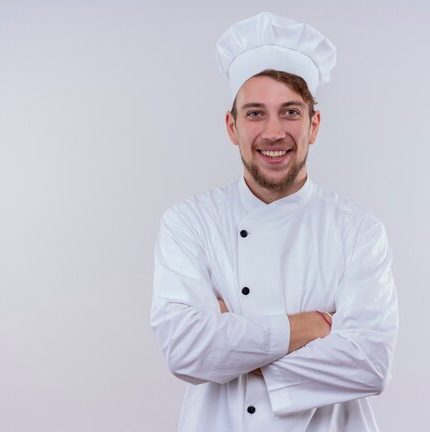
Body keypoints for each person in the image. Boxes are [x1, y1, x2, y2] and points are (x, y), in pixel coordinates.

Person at [151, 12, 399, 431]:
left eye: (289, 112)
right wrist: (311, 328)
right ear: (232, 127)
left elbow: (370, 364)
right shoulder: (189, 222)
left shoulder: (358, 230)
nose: (273, 132)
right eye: (254, 114)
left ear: (313, 125)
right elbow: (185, 351)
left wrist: (231, 341)